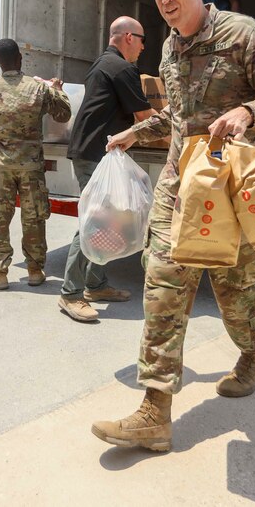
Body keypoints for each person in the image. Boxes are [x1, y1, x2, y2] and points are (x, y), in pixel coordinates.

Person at [91, 0, 255, 452]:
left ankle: (254, 356)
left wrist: (250, 112)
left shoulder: (242, 34)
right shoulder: (168, 49)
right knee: (163, 284)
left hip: (231, 190)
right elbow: (180, 116)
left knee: (235, 291)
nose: (166, 0)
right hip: (178, 186)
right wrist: (135, 130)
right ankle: (154, 412)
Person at [58, 16, 156, 323]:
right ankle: (70, 294)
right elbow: (144, 115)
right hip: (94, 153)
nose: (142, 48)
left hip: (94, 149)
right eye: (142, 40)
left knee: (110, 220)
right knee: (95, 222)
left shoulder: (102, 63)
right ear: (129, 37)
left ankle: (96, 285)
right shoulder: (122, 68)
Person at [0, 38, 71, 290]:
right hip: (31, 168)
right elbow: (64, 114)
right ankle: (35, 270)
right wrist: (57, 89)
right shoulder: (37, 89)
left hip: (2, 167)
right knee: (34, 218)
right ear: (20, 58)